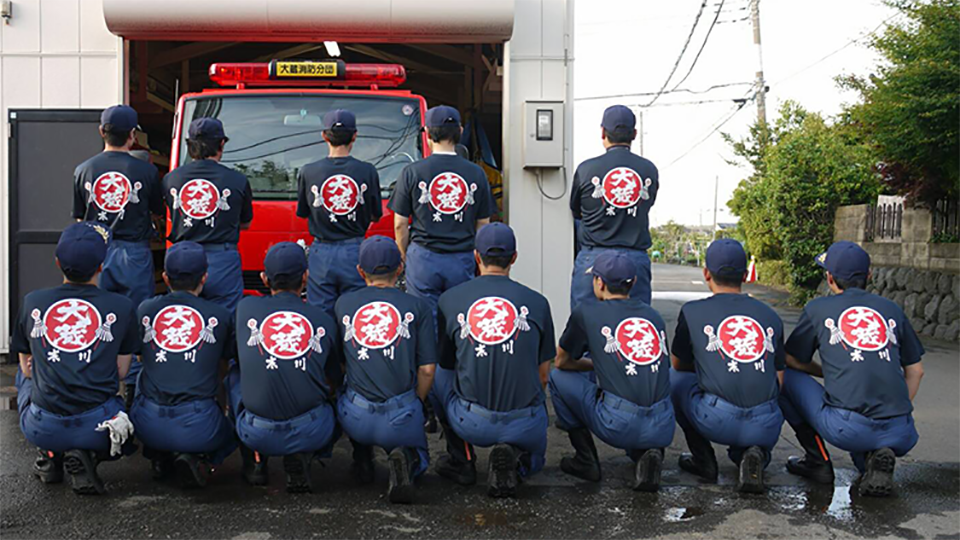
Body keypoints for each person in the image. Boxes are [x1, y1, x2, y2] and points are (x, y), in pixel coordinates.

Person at [780, 241, 924, 497]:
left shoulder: (818, 309)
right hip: (902, 431)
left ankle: (816, 460)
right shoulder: (891, 309)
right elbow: (916, 370)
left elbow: (791, 358)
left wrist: (826, 372)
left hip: (847, 429)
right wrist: (897, 411)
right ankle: (872, 459)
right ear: (869, 275)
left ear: (829, 277)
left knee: (785, 377)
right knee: (868, 413)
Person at [11, 222, 139, 495]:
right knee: (118, 407)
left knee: (24, 377)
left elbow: (28, 370)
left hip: (42, 426)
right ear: (101, 266)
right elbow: (121, 372)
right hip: (97, 427)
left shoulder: (33, 301)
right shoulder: (122, 306)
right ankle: (86, 456)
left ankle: (50, 454)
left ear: (57, 262)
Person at [431, 223, 555, 498]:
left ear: (476, 256)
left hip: (471, 421)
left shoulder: (449, 300)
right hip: (526, 422)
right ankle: (519, 459)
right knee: (535, 452)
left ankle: (461, 459)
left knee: (437, 375)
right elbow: (544, 375)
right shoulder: (539, 302)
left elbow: (448, 365)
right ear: (514, 257)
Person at [550, 251, 674, 492]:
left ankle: (585, 460)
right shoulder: (653, 316)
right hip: (663, 424)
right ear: (634, 283)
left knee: (558, 378)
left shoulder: (586, 312)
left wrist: (596, 362)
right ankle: (648, 452)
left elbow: (562, 361)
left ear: (599, 282)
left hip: (618, 423)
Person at [670, 239, 785, 493]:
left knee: (674, 380)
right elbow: (779, 377)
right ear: (745, 275)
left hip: (716, 420)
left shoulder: (692, 311)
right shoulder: (771, 315)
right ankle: (756, 454)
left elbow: (678, 364)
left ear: (706, 273)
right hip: (766, 422)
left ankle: (703, 460)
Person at [227, 242, 341, 493]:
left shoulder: (244, 309)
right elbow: (334, 378)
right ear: (306, 277)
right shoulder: (323, 320)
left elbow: (236, 355)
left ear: (263, 279)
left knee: (235, 372)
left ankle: (255, 461)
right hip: (312, 429)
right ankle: (306, 454)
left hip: (254, 430)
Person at [72, 104, 163, 406]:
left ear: (102, 131)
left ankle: (94, 391)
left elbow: (78, 221)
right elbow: (156, 213)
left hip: (96, 251)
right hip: (134, 253)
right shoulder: (147, 171)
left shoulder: (83, 169)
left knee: (95, 321)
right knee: (136, 323)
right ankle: (134, 394)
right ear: (133, 135)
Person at [335, 236, 436, 503]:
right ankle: (408, 459)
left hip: (355, 415)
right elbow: (427, 370)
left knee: (346, 386)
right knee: (418, 453)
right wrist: (417, 404)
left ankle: (362, 458)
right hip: (401, 414)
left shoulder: (343, 304)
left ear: (360, 271)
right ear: (400, 268)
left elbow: (341, 362)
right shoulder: (418, 307)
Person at [130, 242, 237, 488]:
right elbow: (223, 366)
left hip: (147, 424)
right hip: (200, 424)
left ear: (165, 277)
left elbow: (138, 357)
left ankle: (158, 455)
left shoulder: (146, 309)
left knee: (142, 372)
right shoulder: (219, 315)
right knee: (233, 428)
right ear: (205, 277)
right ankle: (202, 458)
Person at [388, 105, 494, 321]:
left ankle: (430, 356)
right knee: (460, 319)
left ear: (426, 133)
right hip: (462, 257)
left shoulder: (412, 172)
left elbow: (399, 224)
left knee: (426, 321)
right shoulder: (476, 173)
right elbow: (483, 223)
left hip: (423, 258)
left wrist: (404, 255)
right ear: (460, 131)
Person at [569, 105, 658, 311]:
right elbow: (648, 204)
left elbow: (576, 211)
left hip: (593, 257)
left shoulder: (586, 169)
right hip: (635, 257)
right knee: (634, 327)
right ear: (634, 134)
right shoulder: (648, 170)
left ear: (602, 132)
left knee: (583, 330)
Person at [297, 109, 383, 316]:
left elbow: (303, 212)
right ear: (355, 135)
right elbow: (375, 214)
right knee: (356, 313)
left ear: (324, 136)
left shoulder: (308, 171)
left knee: (320, 314)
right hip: (355, 249)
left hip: (321, 250)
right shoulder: (368, 171)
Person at [163, 118, 254, 313]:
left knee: (183, 317)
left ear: (189, 145)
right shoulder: (237, 179)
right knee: (226, 317)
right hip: (222, 258)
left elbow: (173, 214)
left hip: (181, 256)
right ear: (221, 143)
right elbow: (245, 223)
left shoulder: (171, 178)